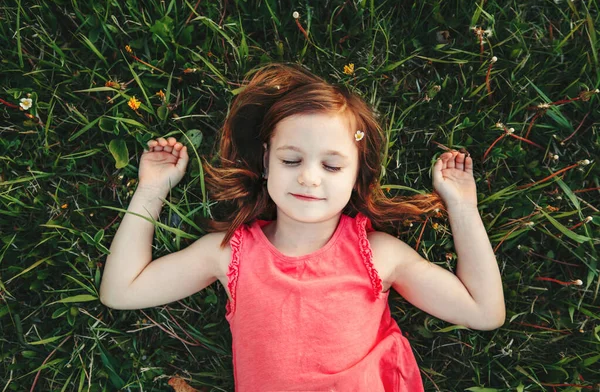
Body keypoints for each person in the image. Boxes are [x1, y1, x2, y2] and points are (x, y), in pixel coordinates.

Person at [99, 63, 505, 391]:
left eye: (331, 166)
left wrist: (461, 207)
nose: (310, 178)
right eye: (291, 160)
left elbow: (484, 312)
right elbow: (121, 291)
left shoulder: (379, 255)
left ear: (356, 175)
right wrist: (152, 191)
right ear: (266, 161)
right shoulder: (229, 253)